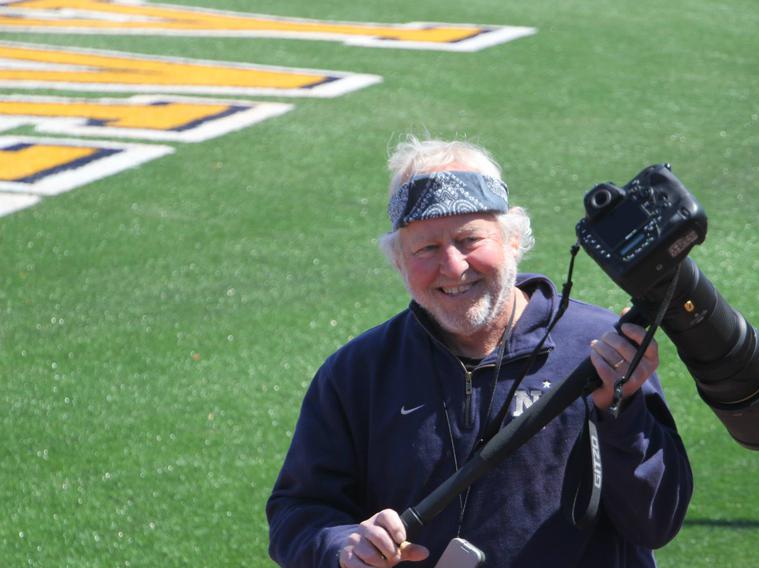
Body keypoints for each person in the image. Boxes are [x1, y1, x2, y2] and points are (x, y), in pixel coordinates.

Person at [267, 137, 693, 567]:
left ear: (512, 239)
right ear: (398, 260)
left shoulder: (600, 348)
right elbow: (297, 514)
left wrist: (621, 413)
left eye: (470, 239)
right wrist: (343, 546)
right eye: (426, 249)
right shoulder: (357, 373)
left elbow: (657, 521)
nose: (453, 267)